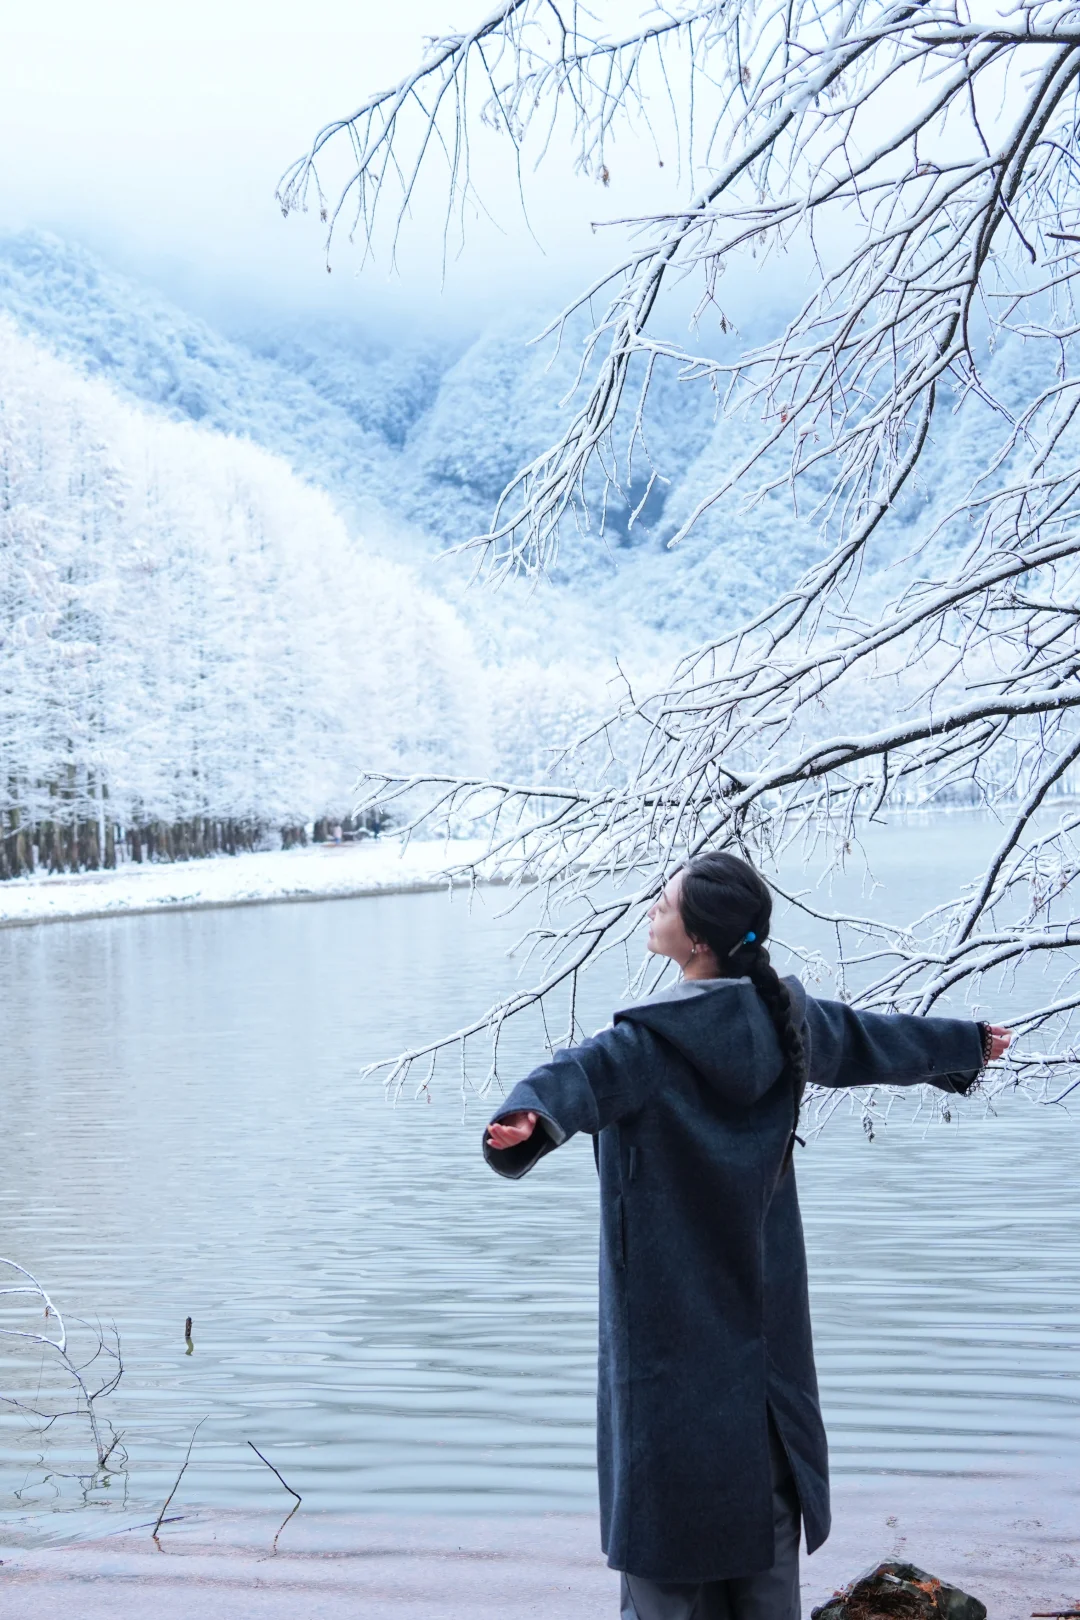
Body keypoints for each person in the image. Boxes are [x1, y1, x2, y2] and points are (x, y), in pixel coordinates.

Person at [484, 852, 1012, 1620]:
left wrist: (530, 1118)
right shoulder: (785, 1022)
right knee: (765, 1556)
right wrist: (964, 1044)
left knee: (665, 1562)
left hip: (662, 1347)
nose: (651, 912)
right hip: (765, 1336)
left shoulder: (645, 1047)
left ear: (697, 941)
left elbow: (576, 1077)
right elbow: (873, 1040)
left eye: (663, 903)